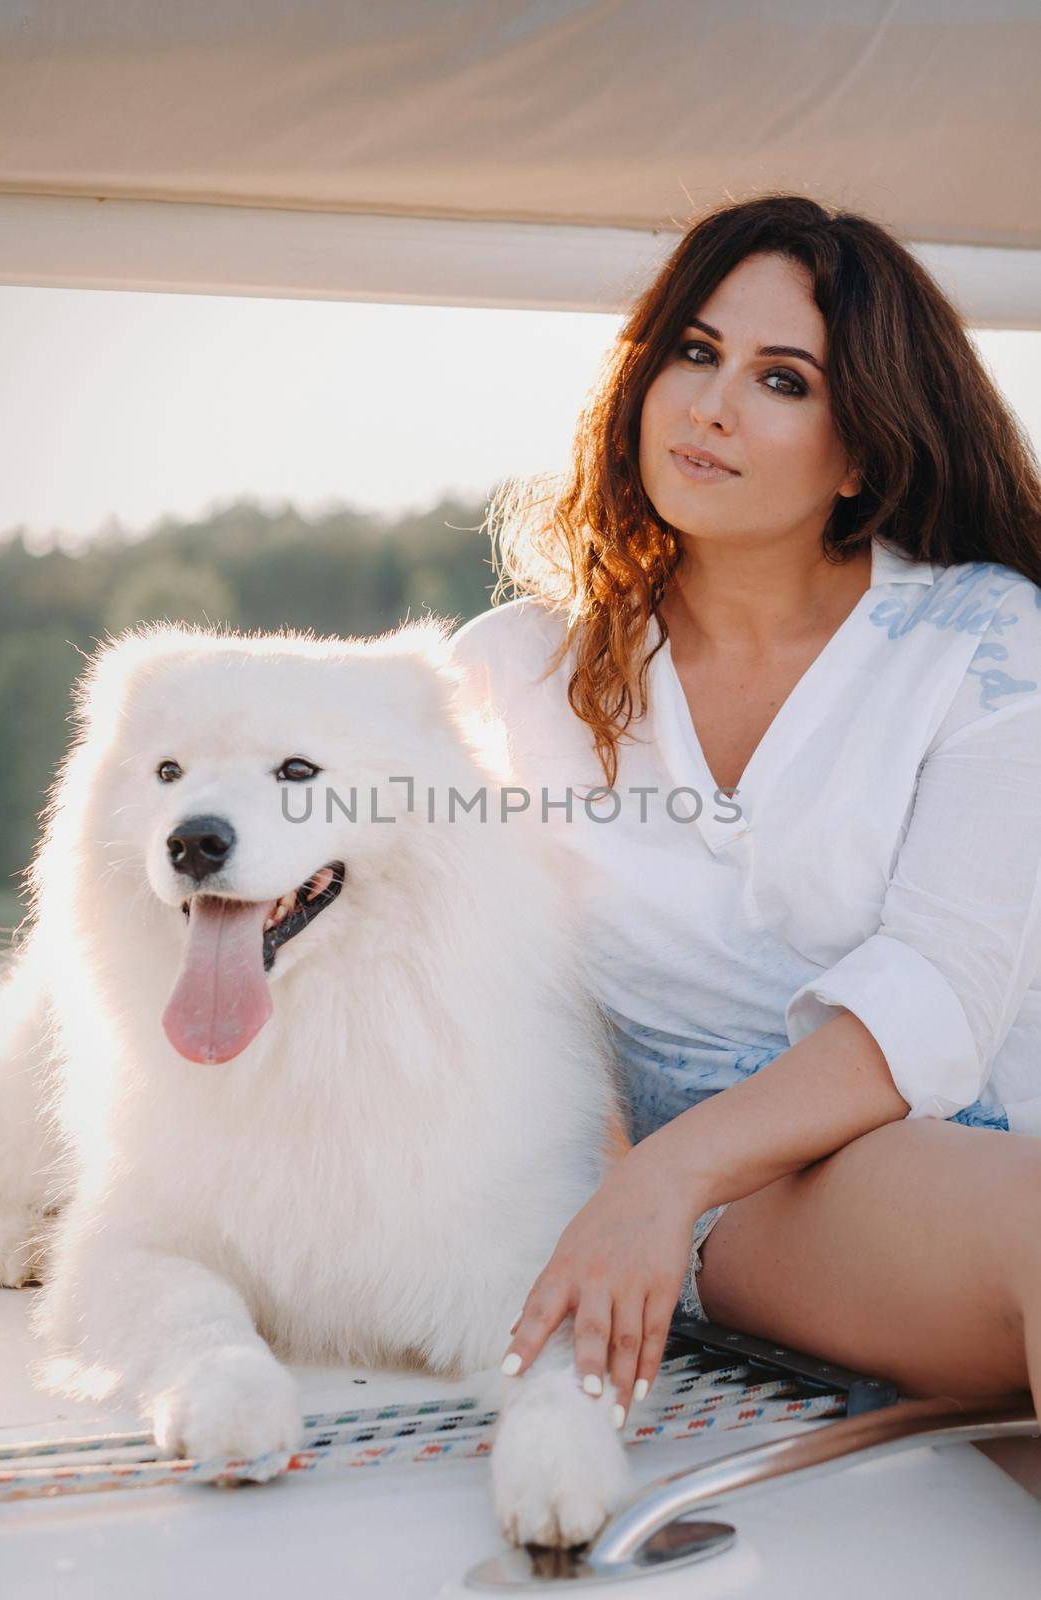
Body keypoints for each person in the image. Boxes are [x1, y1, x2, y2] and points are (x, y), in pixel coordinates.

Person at [448, 193, 1041, 1437]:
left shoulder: (979, 640)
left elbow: (940, 981)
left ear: (864, 447)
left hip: (933, 1138)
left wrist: (662, 1174)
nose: (710, 404)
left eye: (781, 379)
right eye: (692, 350)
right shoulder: (511, 674)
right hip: (736, 1217)